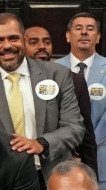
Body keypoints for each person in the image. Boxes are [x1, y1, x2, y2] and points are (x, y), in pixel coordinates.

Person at [0, 12, 85, 187]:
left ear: (24, 39)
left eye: (13, 38)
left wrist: (41, 144)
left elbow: (75, 127)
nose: (7, 46)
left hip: (52, 177)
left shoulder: (57, 75)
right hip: (1, 180)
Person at [55, 12, 106, 190]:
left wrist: (86, 144)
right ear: (68, 35)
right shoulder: (52, 69)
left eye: (90, 29)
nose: (84, 33)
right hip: (63, 153)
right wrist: (69, 143)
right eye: (78, 28)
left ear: (98, 37)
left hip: (100, 154)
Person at [23, 26, 99, 176]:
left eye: (47, 42)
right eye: (33, 42)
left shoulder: (74, 80)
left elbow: (86, 136)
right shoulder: (11, 82)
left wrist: (92, 177)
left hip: (59, 170)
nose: (42, 47)